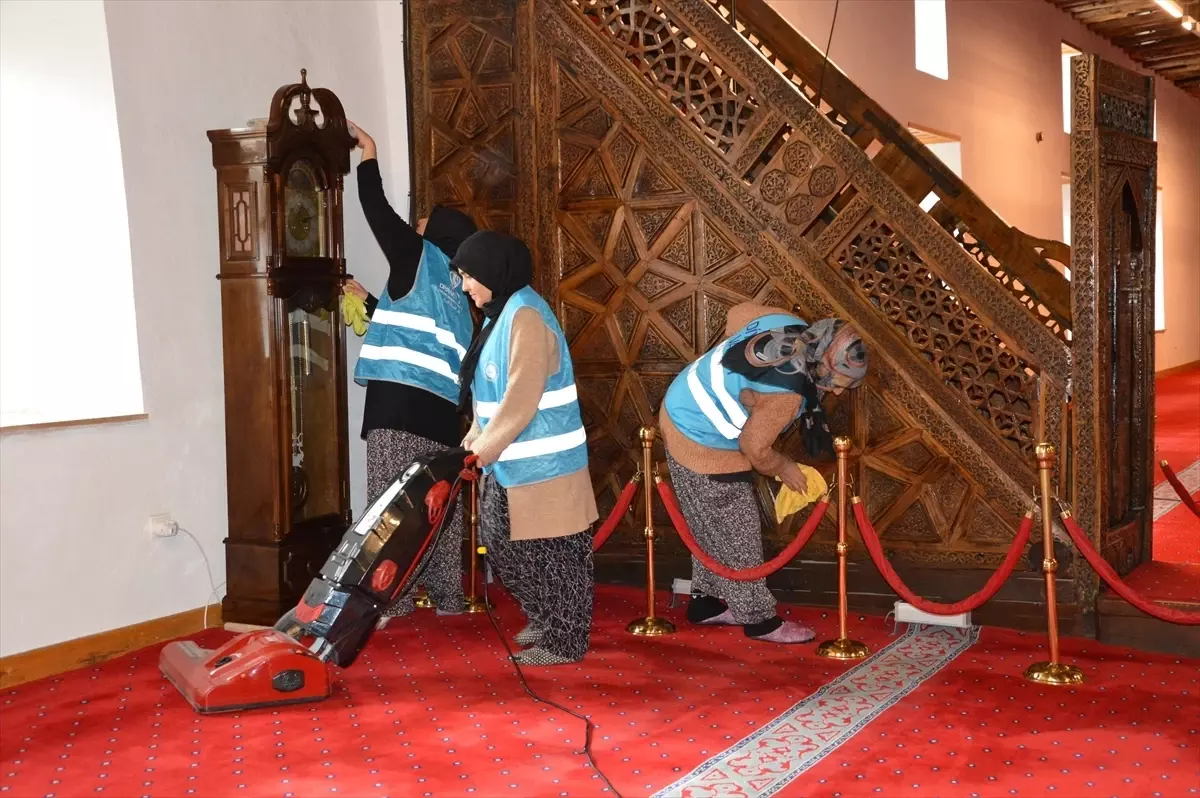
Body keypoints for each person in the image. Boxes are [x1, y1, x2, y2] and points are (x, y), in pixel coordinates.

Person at [659, 302, 868, 644]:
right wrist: (784, 467)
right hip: (698, 438)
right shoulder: (786, 395)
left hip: (682, 402)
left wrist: (737, 377)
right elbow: (754, 448)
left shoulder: (789, 324)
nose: (840, 393)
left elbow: (738, 314)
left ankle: (706, 603)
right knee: (737, 529)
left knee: (706, 523)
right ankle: (759, 620)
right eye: (839, 382)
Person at [342, 121, 477, 622]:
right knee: (436, 507)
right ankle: (447, 598)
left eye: (422, 223)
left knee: (389, 507)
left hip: (398, 406)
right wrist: (371, 302)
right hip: (442, 419)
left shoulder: (418, 255)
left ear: (435, 235)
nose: (414, 228)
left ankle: (385, 602)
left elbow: (377, 211)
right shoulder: (463, 293)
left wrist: (369, 153)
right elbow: (418, 328)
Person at [453, 230, 598, 666]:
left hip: (547, 467)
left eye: (468, 277)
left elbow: (521, 397)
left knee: (557, 559)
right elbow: (489, 390)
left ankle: (565, 640)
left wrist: (483, 451)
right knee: (505, 547)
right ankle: (544, 617)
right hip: (512, 465)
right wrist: (473, 438)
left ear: (492, 272)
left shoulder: (527, 317)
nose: (465, 287)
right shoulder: (502, 313)